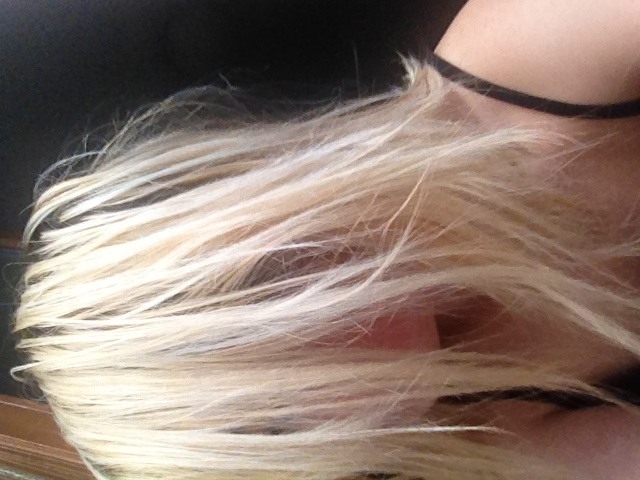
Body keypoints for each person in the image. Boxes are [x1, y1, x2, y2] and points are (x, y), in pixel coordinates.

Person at [12, 1, 640, 479]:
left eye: (264, 295)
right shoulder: (495, 421)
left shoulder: (515, 80)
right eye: (278, 430)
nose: (336, 407)